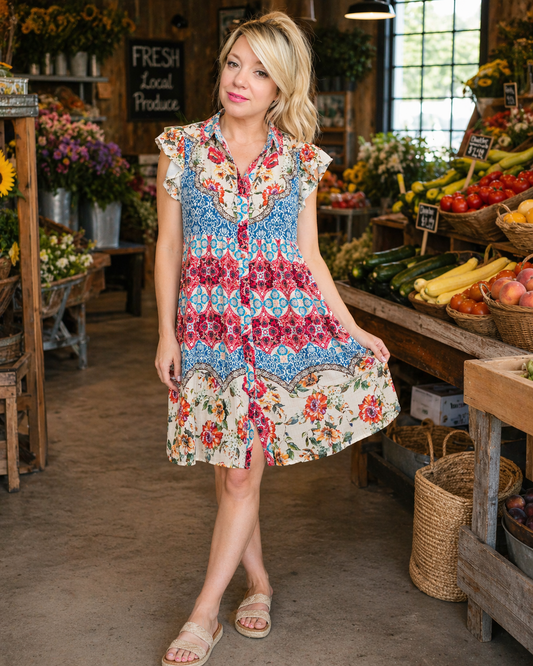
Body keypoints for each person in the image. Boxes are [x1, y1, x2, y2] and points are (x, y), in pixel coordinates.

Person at [154, 11, 399, 665]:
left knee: (239, 476)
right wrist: (164, 335)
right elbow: (168, 246)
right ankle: (258, 585)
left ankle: (203, 615)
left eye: (260, 71)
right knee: (230, 472)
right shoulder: (180, 147)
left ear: (281, 88)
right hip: (206, 333)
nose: (241, 80)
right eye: (235, 62)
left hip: (280, 334)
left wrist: (350, 328)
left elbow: (310, 257)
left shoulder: (298, 161)